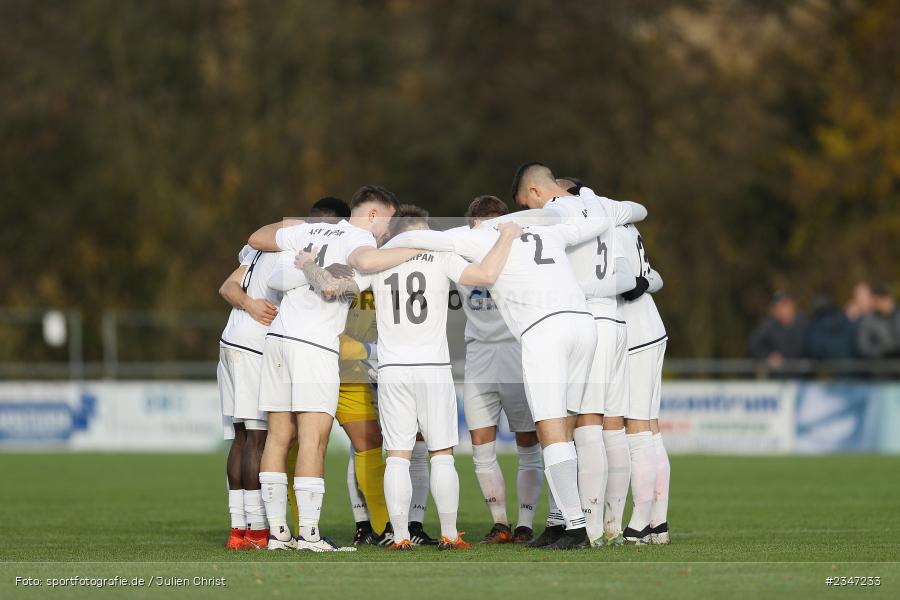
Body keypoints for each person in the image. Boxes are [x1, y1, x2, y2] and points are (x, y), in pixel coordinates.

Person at [383, 172, 622, 550]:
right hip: (582, 324)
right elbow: (605, 218)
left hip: (541, 333)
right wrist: (593, 198)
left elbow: (420, 237)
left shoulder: (479, 237)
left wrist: (372, 249)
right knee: (566, 426)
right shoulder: (546, 228)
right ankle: (562, 522)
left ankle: (575, 527)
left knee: (549, 431)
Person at [297, 204, 520, 550]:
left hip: (392, 370)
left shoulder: (379, 258)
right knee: (441, 453)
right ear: (424, 228)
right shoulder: (440, 255)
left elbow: (332, 290)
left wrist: (308, 265)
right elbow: (486, 277)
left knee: (397, 456)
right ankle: (449, 533)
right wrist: (506, 235)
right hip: (432, 368)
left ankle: (399, 536)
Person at [247, 185, 410, 551]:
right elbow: (339, 287)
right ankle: (309, 535)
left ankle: (278, 534)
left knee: (278, 437)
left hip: (277, 339)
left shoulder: (308, 229)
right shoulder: (360, 243)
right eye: (388, 221)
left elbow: (257, 237)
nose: (387, 231)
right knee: (313, 439)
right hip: (313, 345)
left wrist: (302, 248)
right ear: (373, 214)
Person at [504, 165, 647, 548]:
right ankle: (588, 524)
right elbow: (639, 209)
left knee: (581, 429)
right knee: (603, 428)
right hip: (613, 318)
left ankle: (590, 529)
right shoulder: (599, 206)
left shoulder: (554, 216)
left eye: (524, 201)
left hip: (584, 318)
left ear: (536, 191)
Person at [455, 195, 544, 545]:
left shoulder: (522, 256)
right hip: (478, 356)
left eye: (494, 226)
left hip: (516, 353)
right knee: (480, 444)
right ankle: (500, 524)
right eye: (480, 227)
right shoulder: (459, 256)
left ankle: (524, 524)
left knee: (527, 442)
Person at [216, 244, 280, 550]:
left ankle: (237, 529)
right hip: (254, 346)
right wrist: (253, 306)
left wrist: (247, 302)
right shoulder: (291, 251)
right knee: (257, 438)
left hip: (229, 342)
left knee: (240, 438)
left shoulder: (256, 251)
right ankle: (256, 531)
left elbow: (227, 287)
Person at [617, 223, 669, 545]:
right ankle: (658, 523)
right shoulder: (628, 224)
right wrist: (644, 282)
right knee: (651, 430)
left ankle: (639, 524)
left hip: (635, 333)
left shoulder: (599, 226)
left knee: (637, 431)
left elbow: (619, 283)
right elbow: (655, 277)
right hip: (652, 327)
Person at [748, 292, 809, 369]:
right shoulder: (768, 326)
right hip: (779, 376)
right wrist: (768, 355)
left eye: (785, 305)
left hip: (804, 376)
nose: (783, 310)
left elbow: (815, 346)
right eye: (779, 307)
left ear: (792, 305)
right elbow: (754, 344)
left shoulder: (804, 323)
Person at [857, 285, 900, 358]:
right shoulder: (869, 320)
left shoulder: (897, 316)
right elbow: (863, 347)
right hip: (881, 365)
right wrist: (884, 350)